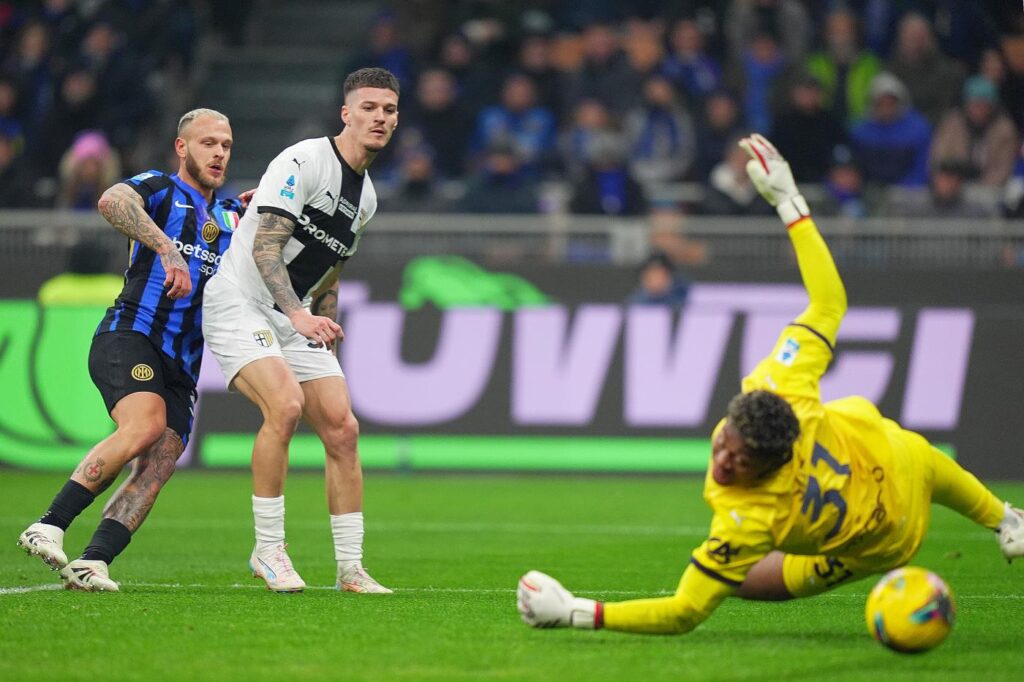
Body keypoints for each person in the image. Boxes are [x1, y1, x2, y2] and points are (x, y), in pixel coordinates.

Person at [517, 133, 1024, 634]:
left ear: (772, 464)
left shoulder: (752, 517)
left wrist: (578, 613)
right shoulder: (782, 385)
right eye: (730, 443)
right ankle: (1008, 518)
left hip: (878, 539)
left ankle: (1002, 519)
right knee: (904, 448)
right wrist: (789, 203)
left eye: (741, 460)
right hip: (878, 457)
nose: (725, 458)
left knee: (759, 576)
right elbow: (829, 303)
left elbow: (685, 612)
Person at [17, 108, 241, 592]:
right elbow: (111, 199)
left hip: (183, 363)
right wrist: (166, 247)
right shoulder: (161, 189)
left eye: (225, 144)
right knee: (145, 425)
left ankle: (93, 562)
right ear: (182, 148)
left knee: (159, 463)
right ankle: (49, 524)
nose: (219, 152)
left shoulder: (230, 217)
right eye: (208, 143)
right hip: (130, 335)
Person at [201, 67, 399, 595]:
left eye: (390, 110)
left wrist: (324, 316)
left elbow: (331, 267)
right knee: (285, 406)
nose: (380, 118)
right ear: (346, 113)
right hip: (241, 302)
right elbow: (266, 247)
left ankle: (351, 569)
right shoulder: (304, 160)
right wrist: (299, 316)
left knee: (343, 429)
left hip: (294, 316)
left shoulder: (368, 198)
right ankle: (268, 551)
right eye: (370, 108)